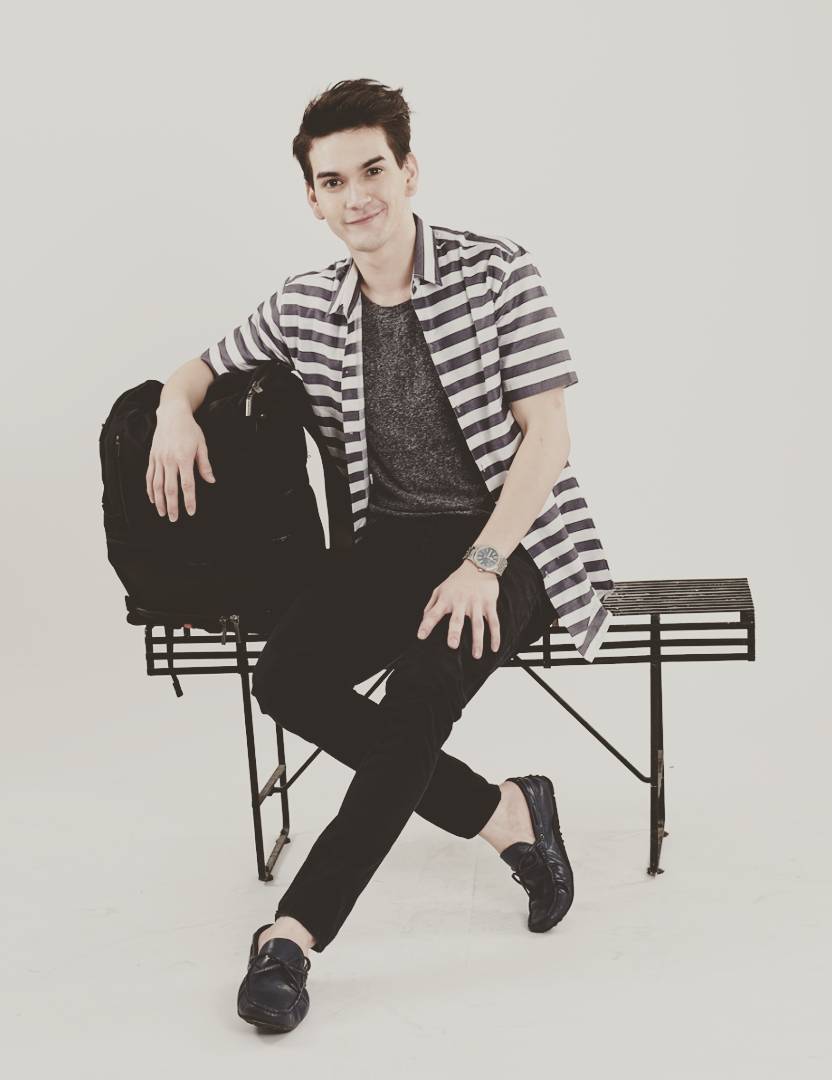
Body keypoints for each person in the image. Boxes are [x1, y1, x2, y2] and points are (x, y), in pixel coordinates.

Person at [149, 78, 616, 1033]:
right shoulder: (307, 305)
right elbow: (199, 367)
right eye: (334, 181)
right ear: (312, 199)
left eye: (373, 170)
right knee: (285, 678)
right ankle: (504, 813)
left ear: (409, 171)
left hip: (512, 540)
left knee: (415, 697)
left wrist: (483, 563)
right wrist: (171, 413)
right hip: (395, 543)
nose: (357, 196)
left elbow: (548, 438)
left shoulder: (497, 273)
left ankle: (291, 936)